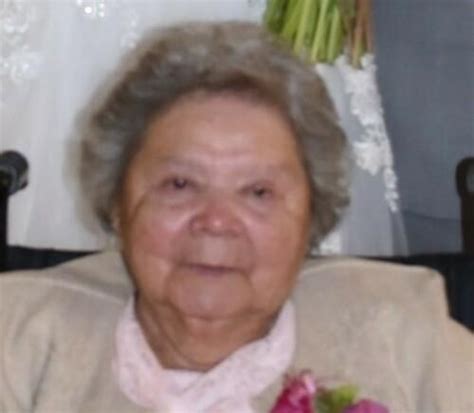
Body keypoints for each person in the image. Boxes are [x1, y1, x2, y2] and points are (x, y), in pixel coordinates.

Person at [0, 22, 472, 413]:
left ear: (312, 219)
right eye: (180, 184)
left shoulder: (405, 336)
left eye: (258, 193)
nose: (216, 221)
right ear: (117, 204)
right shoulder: (17, 337)